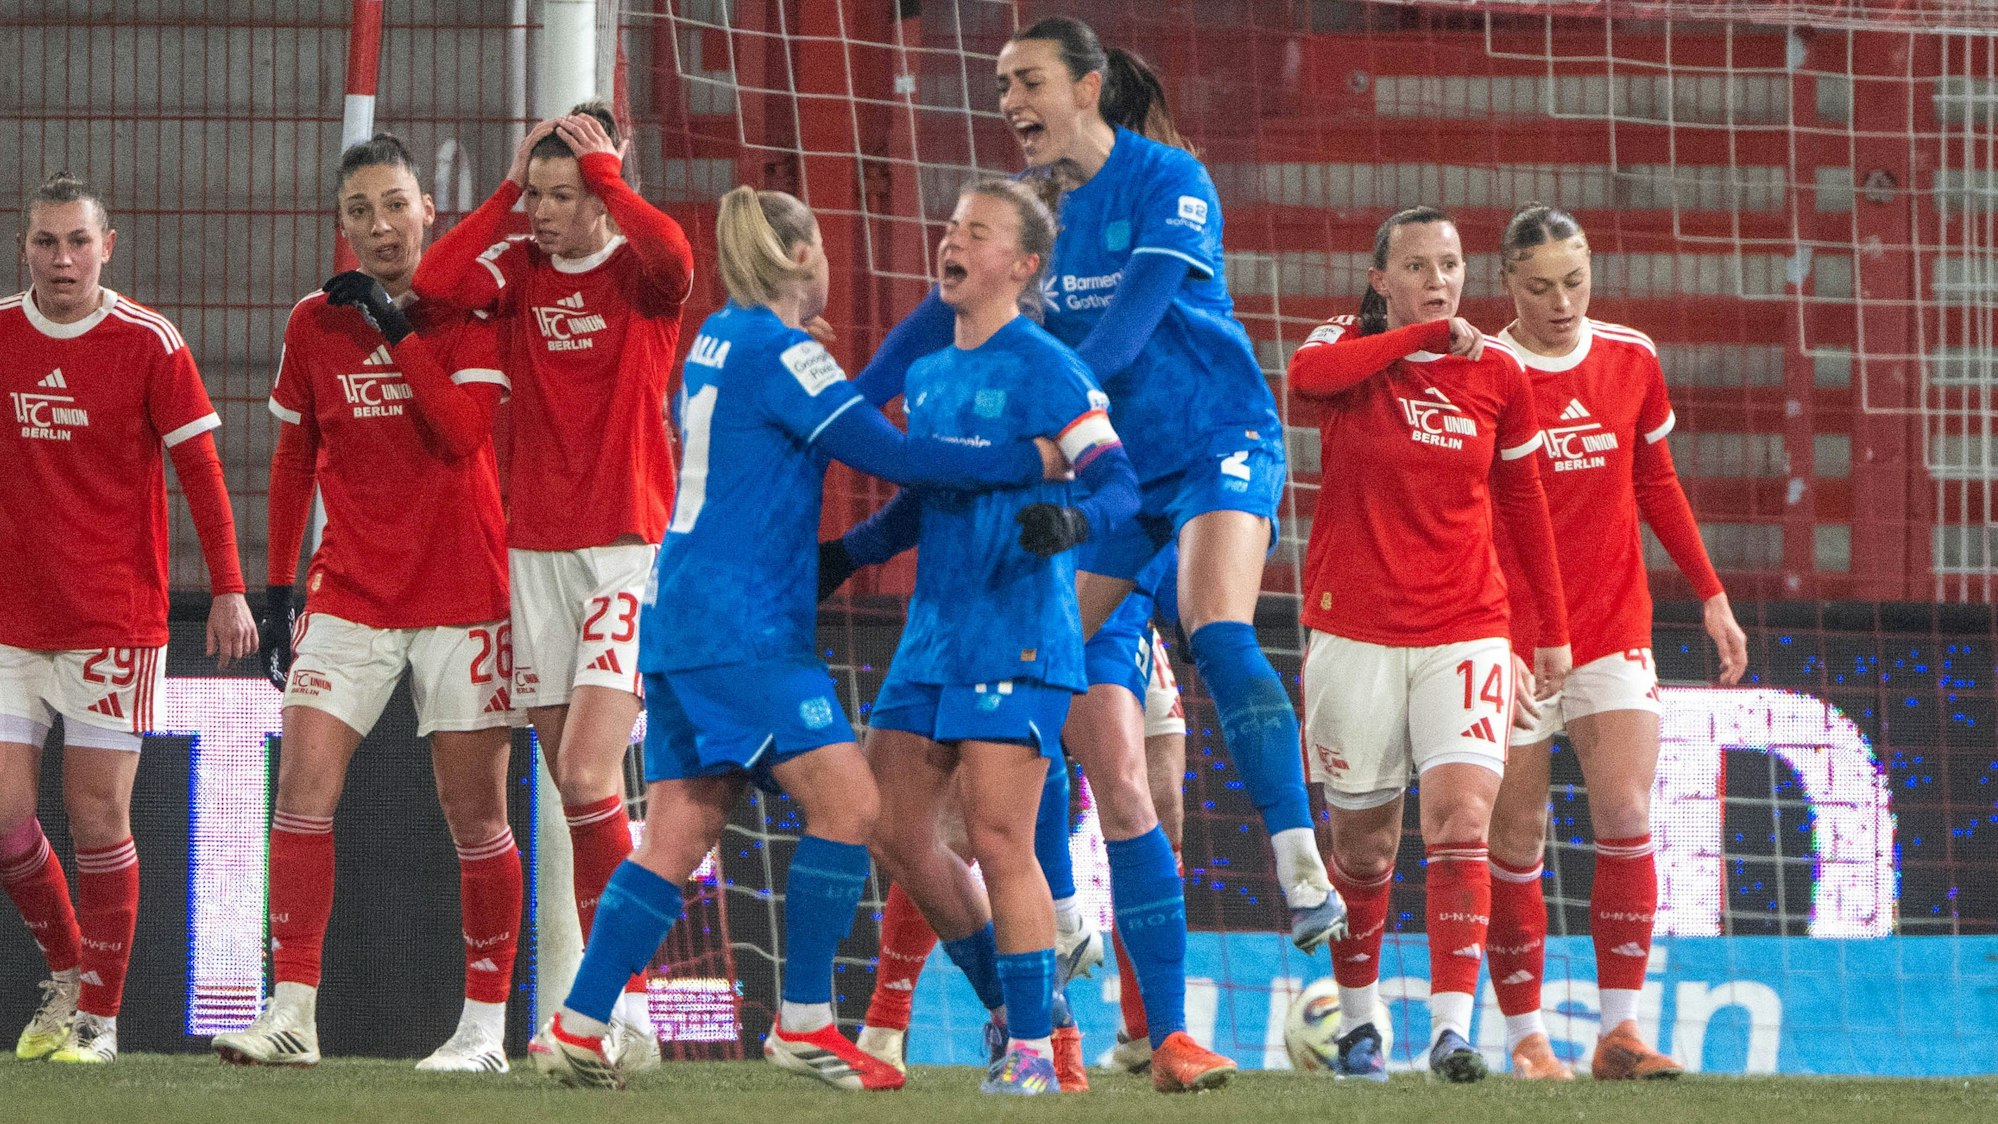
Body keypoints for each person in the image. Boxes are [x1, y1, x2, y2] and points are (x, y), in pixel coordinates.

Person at [848, 15, 1340, 1088]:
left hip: (1206, 452)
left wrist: (1051, 422)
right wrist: (837, 411)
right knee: (991, 737)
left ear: (1089, 85)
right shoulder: (1037, 226)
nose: (1008, 102)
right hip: (1097, 492)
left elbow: (1114, 344)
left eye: (1026, 81)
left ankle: (1292, 868)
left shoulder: (1173, 183)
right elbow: (933, 335)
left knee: (1199, 649)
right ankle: (1034, 993)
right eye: (999, 86)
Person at [529, 184, 1063, 1092]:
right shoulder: (781, 352)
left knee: (676, 834)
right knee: (853, 807)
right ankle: (807, 1023)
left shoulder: (717, 342)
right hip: (746, 628)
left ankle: (577, 1025)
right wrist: (1033, 460)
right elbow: (895, 459)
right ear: (803, 255)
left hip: (678, 617)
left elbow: (772, 444)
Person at [208, 134, 521, 1074]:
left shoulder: (470, 308)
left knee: (476, 817)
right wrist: (271, 590)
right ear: (340, 223)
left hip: (466, 594)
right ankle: (292, 1012)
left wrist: (394, 324)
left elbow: (463, 436)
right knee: (302, 786)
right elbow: (296, 458)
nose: (380, 226)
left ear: (430, 209)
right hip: (347, 592)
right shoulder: (315, 322)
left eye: (395, 205)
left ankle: (484, 1030)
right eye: (359, 212)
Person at [838, 177, 1145, 1096]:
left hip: (1018, 629)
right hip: (933, 634)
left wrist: (1077, 524)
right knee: (888, 829)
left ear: (1023, 264)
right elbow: (920, 507)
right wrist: (843, 556)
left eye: (977, 229)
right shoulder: (928, 375)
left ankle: (1033, 1061)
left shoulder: (1047, 366)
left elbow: (1121, 484)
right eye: (950, 225)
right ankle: (1027, 1014)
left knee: (1000, 837)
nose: (953, 239)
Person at [412, 101, 694, 1061]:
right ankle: (617, 1012)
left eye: (560, 196)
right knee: (578, 798)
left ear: (604, 196)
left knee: (585, 770)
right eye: (535, 195)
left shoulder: (638, 277)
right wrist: (507, 189)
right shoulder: (519, 274)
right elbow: (435, 282)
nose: (542, 212)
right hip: (530, 555)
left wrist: (607, 174)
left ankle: (633, 1005)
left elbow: (677, 259)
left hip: (619, 549)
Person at [1285, 206, 1572, 1083]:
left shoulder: (1495, 374)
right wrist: (1411, 339)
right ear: (1381, 281)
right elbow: (1305, 381)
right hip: (1354, 630)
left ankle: (1454, 1030)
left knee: (1463, 823)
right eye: (1417, 266)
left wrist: (1551, 632)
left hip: (1466, 627)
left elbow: (1524, 506)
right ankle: (1362, 1026)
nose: (1439, 281)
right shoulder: (1346, 345)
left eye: (1449, 265)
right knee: (1365, 850)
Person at [1482, 204, 1747, 1082]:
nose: (1561, 302)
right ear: (1506, 285)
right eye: (1539, 286)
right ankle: (1526, 1039)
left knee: (1628, 819)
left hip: (1611, 628)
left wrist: (1711, 595)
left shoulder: (1630, 357)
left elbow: (1656, 480)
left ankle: (1620, 1035)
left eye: (1575, 282)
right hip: (1513, 640)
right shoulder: (1485, 370)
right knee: (1516, 840)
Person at [1, 173, 257, 1064]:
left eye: (77, 241)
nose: (61, 259)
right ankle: (71, 972)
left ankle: (98, 1023)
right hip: (11, 621)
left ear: (108, 246)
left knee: (97, 816)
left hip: (114, 618)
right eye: (44, 242)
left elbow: (202, 472)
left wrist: (230, 587)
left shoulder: (150, 342)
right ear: (24, 246)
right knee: (4, 814)